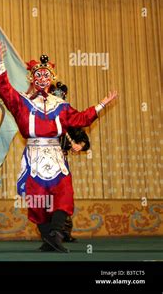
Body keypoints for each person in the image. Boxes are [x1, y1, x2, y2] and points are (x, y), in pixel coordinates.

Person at [0, 41, 117, 252]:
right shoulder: (21, 101)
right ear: (32, 79)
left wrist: (102, 104)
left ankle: (55, 235)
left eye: (46, 76)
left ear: (52, 79)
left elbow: (80, 119)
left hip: (56, 155)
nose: (42, 79)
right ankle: (49, 237)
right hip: (34, 154)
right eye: (38, 76)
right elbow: (4, 88)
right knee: (37, 199)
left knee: (64, 193)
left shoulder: (61, 105)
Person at [49, 81, 91, 245]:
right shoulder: (42, 115)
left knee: (64, 194)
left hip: (60, 160)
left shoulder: (68, 117)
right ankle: (48, 231)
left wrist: (79, 145)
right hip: (42, 159)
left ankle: (64, 231)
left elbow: (85, 141)